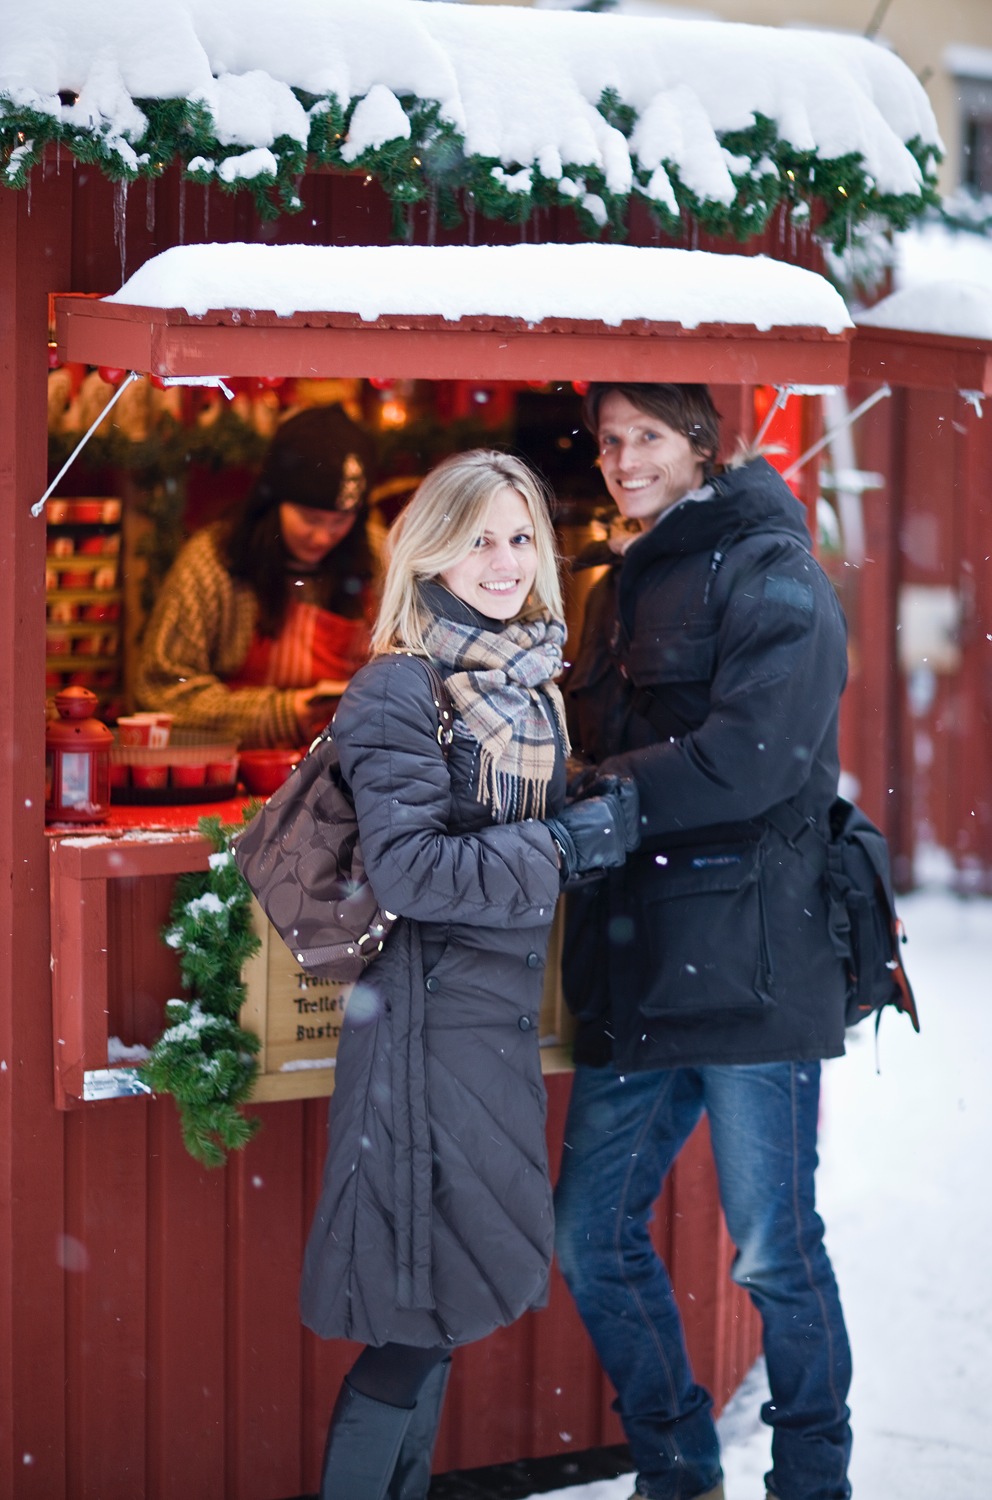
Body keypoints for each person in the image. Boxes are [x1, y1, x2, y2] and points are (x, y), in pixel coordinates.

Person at [297, 448, 640, 1500]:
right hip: (422, 1025)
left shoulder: (524, 678)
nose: (504, 560)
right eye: (479, 537)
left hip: (483, 1025)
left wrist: (588, 795)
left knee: (439, 1312)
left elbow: (485, 820)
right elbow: (410, 868)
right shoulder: (401, 685)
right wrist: (565, 848)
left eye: (520, 535)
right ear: (431, 552)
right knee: (414, 1316)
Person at [552, 384, 853, 1500]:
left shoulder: (771, 569)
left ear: (700, 446)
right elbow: (582, 739)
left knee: (775, 1254)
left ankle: (811, 1480)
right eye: (609, 440)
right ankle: (677, 1469)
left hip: (751, 963)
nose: (623, 460)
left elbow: (757, 757)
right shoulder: (608, 582)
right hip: (638, 962)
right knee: (588, 1237)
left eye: (647, 438)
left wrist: (605, 800)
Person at [134, 404, 376, 747]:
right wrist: (278, 713)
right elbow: (161, 692)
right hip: (239, 775)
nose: (323, 536)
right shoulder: (214, 561)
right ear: (273, 501)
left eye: (339, 522)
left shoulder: (381, 559)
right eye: (309, 518)